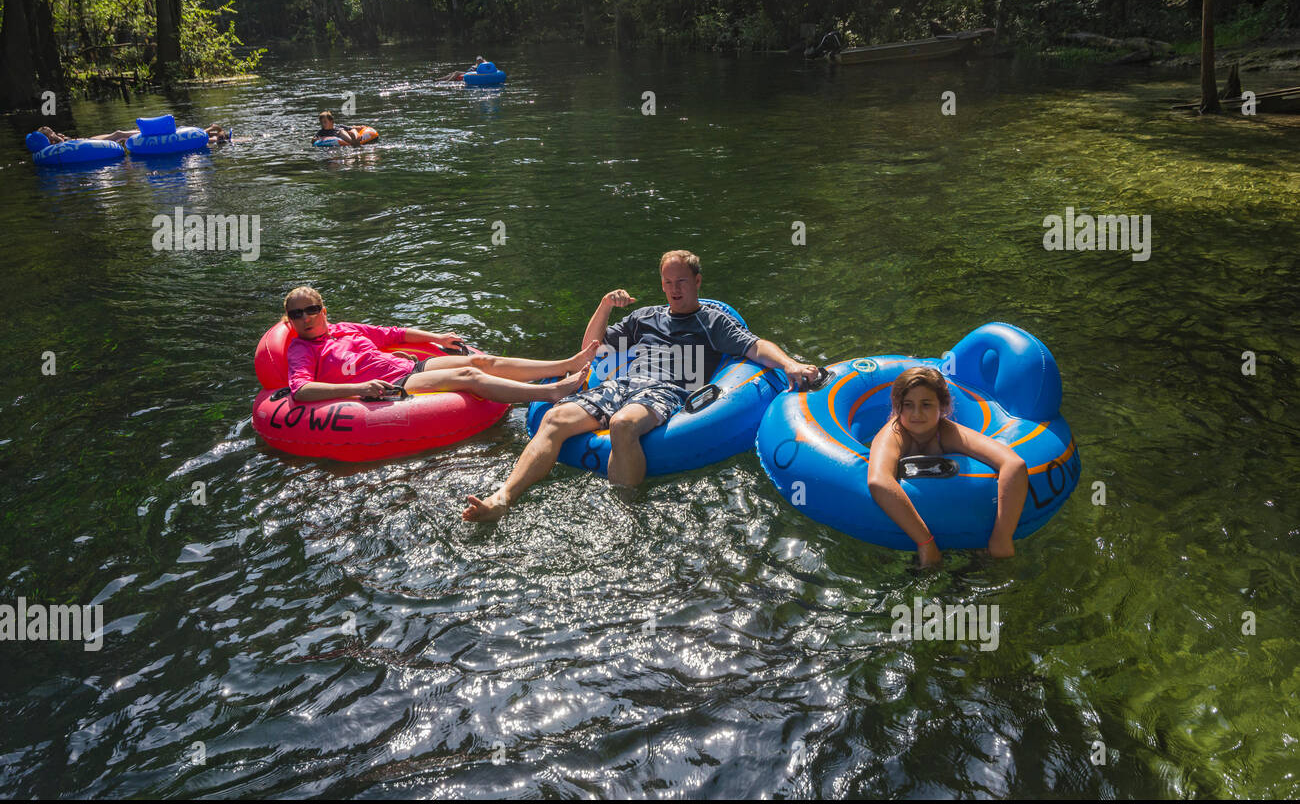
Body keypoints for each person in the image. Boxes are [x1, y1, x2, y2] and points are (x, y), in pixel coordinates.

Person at [463, 250, 822, 521]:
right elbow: (592, 348)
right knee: (554, 421)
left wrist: (790, 364)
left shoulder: (713, 321)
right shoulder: (644, 317)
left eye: (681, 281)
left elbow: (755, 346)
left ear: (697, 281)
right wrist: (605, 304)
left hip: (667, 390)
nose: (674, 290)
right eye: (667, 282)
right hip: (623, 383)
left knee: (622, 425)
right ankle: (503, 499)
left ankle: (623, 514)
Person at [281, 286, 595, 405]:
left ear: (323, 311)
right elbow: (301, 391)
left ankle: (565, 364)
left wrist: (437, 339)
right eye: (297, 314)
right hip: (392, 384)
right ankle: (551, 392)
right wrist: (360, 386)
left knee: (480, 363)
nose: (305, 317)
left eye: (310, 310)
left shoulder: (345, 328)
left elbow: (395, 334)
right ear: (291, 320)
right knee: (470, 378)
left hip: (409, 367)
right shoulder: (301, 349)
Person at [866, 366, 1028, 566]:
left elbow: (1014, 464)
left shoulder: (947, 433)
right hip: (905, 537)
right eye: (908, 405)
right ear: (898, 407)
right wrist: (925, 542)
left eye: (926, 404)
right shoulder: (893, 436)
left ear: (942, 406)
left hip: (959, 525)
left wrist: (1002, 536)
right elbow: (878, 481)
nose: (916, 413)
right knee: (917, 593)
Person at [34, 125, 134, 144]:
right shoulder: (54, 144)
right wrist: (58, 139)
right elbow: (63, 145)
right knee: (118, 134)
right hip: (89, 143)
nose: (54, 133)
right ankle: (142, 132)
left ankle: (136, 131)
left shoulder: (57, 138)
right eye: (51, 132)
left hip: (87, 139)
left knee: (116, 133)